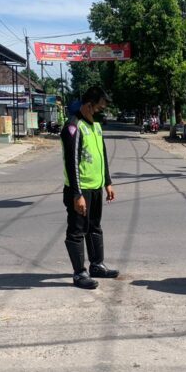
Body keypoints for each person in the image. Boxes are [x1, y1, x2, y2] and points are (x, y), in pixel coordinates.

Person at [61, 86, 118, 289]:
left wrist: (108, 182)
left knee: (94, 227)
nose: (101, 112)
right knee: (77, 231)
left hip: (95, 187)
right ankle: (79, 274)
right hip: (80, 190)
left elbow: (102, 154)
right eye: (99, 108)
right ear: (88, 105)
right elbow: (72, 163)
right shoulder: (73, 127)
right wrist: (77, 195)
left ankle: (96, 265)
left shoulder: (95, 125)